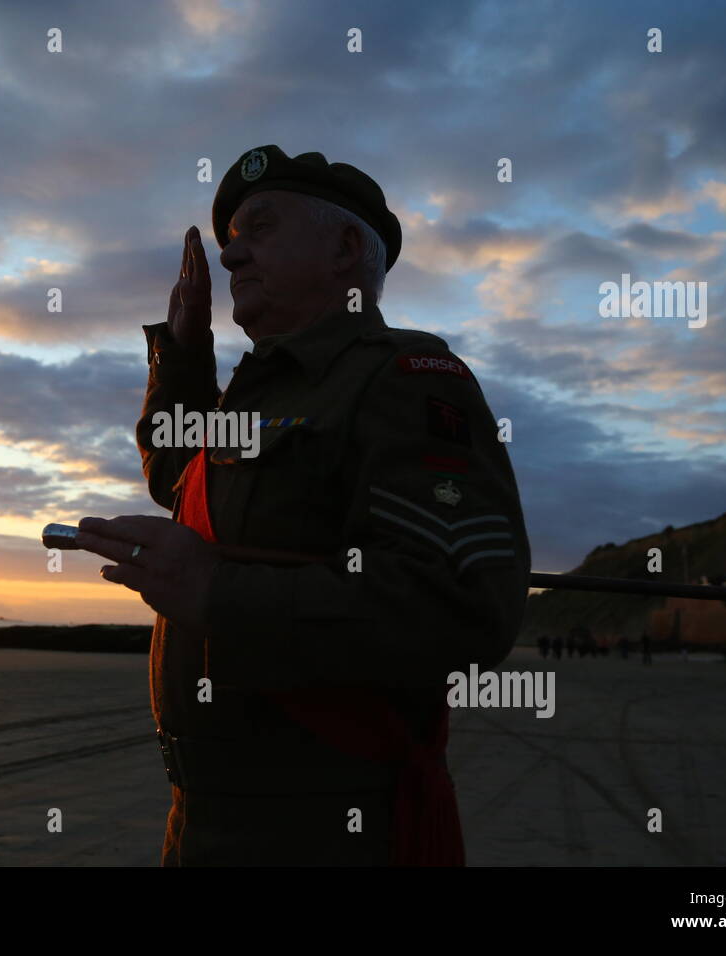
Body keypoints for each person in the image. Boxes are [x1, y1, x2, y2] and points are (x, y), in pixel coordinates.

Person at [76, 145, 531, 866]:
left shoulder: (406, 378)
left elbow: (465, 602)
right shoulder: (263, 392)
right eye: (228, 242)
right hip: (201, 825)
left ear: (346, 249)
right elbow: (184, 483)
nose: (230, 259)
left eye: (259, 229)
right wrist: (185, 354)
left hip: (326, 830)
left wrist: (216, 591)